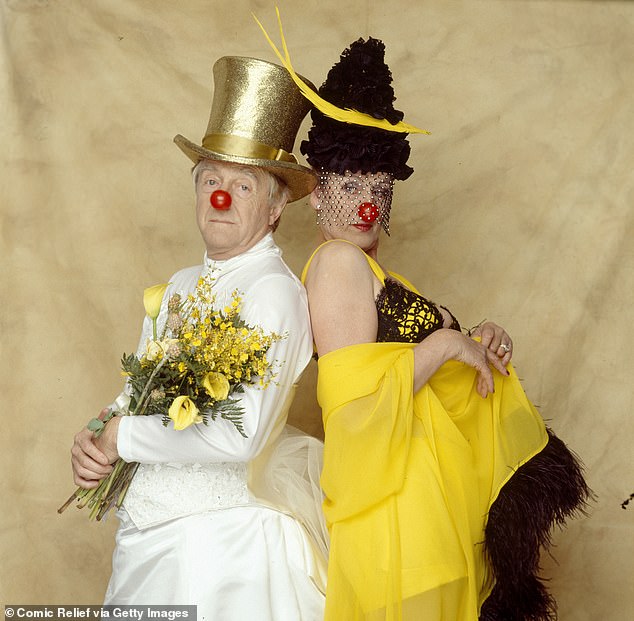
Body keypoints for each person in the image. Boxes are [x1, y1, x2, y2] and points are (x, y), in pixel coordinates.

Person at [292, 38, 590, 620]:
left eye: (380, 189)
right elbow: (353, 416)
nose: (368, 206)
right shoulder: (337, 264)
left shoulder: (374, 270)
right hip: (398, 520)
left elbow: (400, 355)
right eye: (351, 186)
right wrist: (446, 344)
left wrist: (473, 337)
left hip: (422, 505)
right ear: (316, 195)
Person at [69, 55, 327, 620]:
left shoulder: (274, 293)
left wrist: (123, 439)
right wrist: (95, 438)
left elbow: (243, 437)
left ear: (278, 204)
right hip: (149, 531)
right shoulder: (180, 286)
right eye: (210, 180)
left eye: (243, 184)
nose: (221, 196)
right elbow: (133, 400)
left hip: (220, 551)